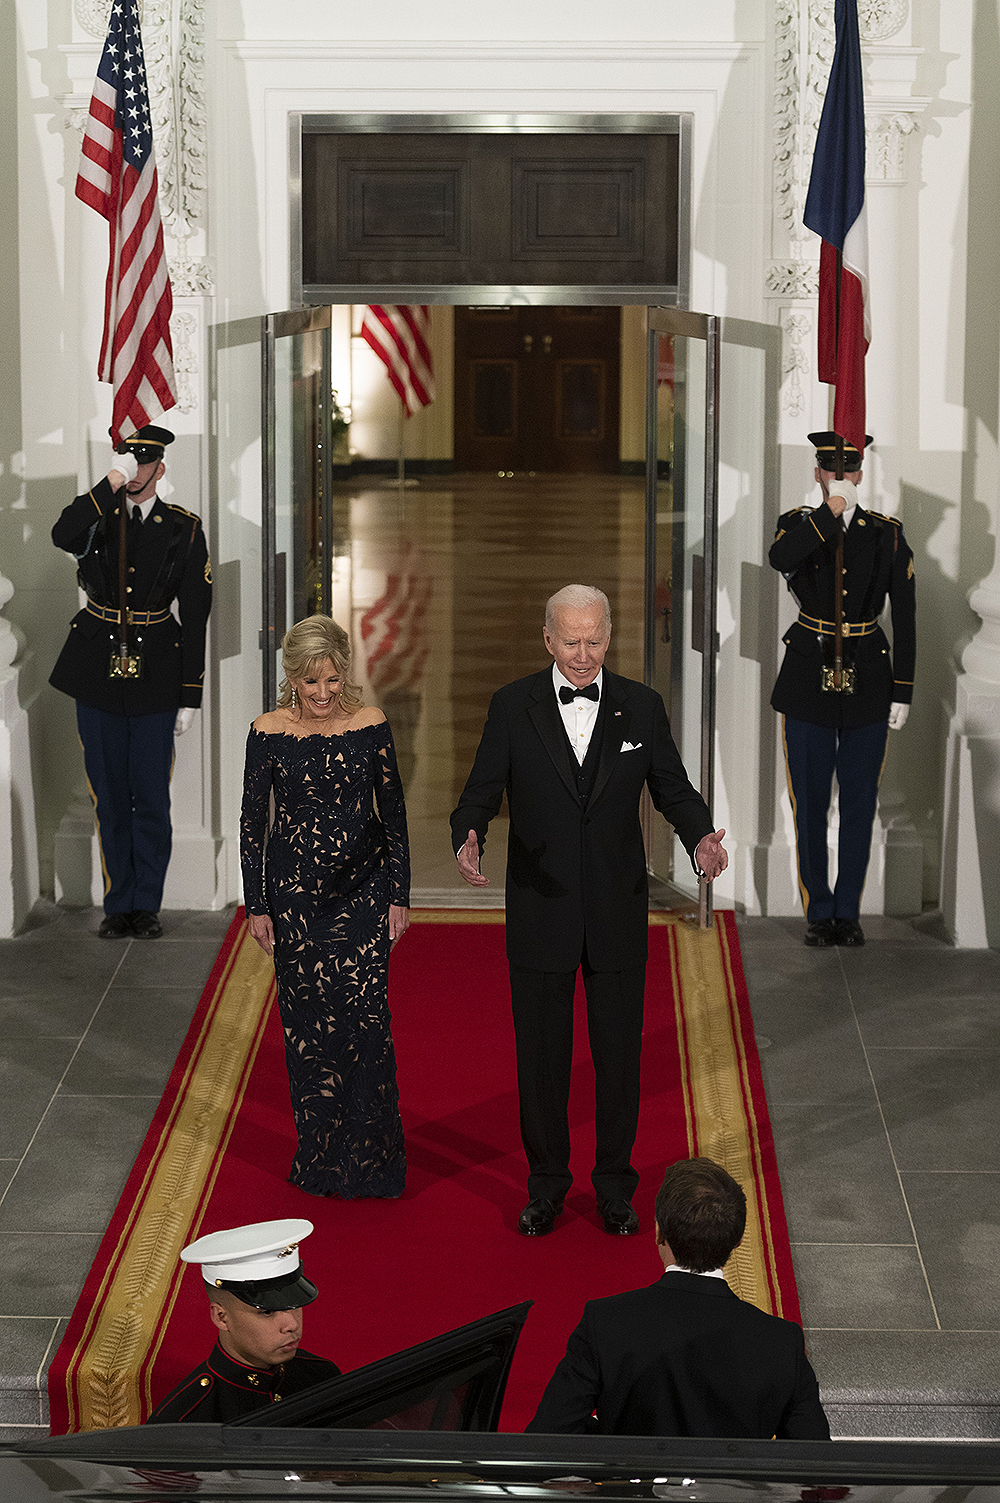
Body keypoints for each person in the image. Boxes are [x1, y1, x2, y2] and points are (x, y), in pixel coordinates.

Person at [450, 585, 727, 1239]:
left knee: (618, 1060)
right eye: (570, 641)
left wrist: (701, 835)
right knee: (542, 1059)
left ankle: (614, 1189)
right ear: (548, 638)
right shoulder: (512, 705)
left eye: (594, 640)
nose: (583, 654)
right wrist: (469, 832)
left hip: (616, 910)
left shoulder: (642, 706)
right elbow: (482, 787)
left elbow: (673, 787)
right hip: (540, 908)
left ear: (610, 636)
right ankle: (545, 1186)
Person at [241, 614, 410, 1199]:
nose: (320, 695)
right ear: (292, 677)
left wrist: (398, 895)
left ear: (345, 675)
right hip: (294, 905)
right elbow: (252, 825)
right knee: (309, 1032)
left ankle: (375, 1165)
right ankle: (320, 1158)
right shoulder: (266, 731)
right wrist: (256, 905)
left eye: (331, 681)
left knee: (367, 1026)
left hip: (363, 895)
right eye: (309, 683)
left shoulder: (371, 725)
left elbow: (393, 815)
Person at [527, 1156, 830, 1439]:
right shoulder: (780, 1341)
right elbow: (814, 1464)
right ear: (737, 1239)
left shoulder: (605, 1322)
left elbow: (547, 1437)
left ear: (659, 1231)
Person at [50, 425, 212, 939]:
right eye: (129, 462)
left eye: (145, 465)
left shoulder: (184, 528)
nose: (137, 472)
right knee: (109, 795)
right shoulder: (98, 518)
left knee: (150, 795)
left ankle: (147, 904)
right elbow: (62, 534)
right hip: (97, 671)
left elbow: (198, 612)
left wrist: (191, 694)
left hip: (157, 674)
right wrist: (109, 481)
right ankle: (118, 903)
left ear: (160, 470)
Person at [770, 432, 916, 948]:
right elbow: (780, 556)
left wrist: (904, 690)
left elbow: (907, 616)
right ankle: (819, 910)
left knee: (859, 799)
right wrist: (828, 513)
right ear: (818, 475)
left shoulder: (887, 535)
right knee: (809, 800)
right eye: (831, 472)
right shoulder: (799, 524)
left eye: (849, 472)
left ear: (861, 474)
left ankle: (848, 912)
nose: (841, 479)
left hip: (869, 681)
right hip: (809, 676)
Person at [147, 1218, 341, 1423]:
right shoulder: (186, 1420)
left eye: (293, 1306)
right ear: (221, 1317)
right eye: (267, 1312)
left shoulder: (320, 1374)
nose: (292, 1325)